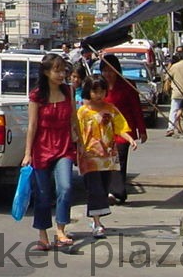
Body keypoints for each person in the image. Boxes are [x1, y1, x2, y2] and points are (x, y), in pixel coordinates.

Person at [22, 53, 79, 251]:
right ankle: (43, 235)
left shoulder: (68, 91)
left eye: (63, 69)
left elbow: (74, 119)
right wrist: (28, 153)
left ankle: (61, 231)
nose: (61, 74)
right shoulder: (37, 95)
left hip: (64, 148)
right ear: (46, 72)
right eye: (56, 70)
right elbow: (32, 125)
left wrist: (80, 143)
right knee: (43, 194)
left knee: (65, 187)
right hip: (42, 149)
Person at [77, 76, 138, 238]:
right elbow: (75, 133)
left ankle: (95, 219)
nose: (99, 95)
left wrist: (130, 138)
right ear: (88, 91)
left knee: (104, 188)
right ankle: (97, 223)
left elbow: (120, 126)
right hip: (89, 157)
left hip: (107, 157)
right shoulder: (82, 112)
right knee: (94, 189)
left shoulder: (110, 109)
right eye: (95, 91)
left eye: (102, 91)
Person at [100, 54, 148, 203]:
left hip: (124, 130)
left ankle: (115, 192)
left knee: (119, 159)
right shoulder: (99, 86)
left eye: (111, 70)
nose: (108, 74)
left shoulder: (128, 85)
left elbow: (136, 109)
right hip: (103, 131)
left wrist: (142, 130)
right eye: (105, 70)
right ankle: (109, 190)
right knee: (106, 161)